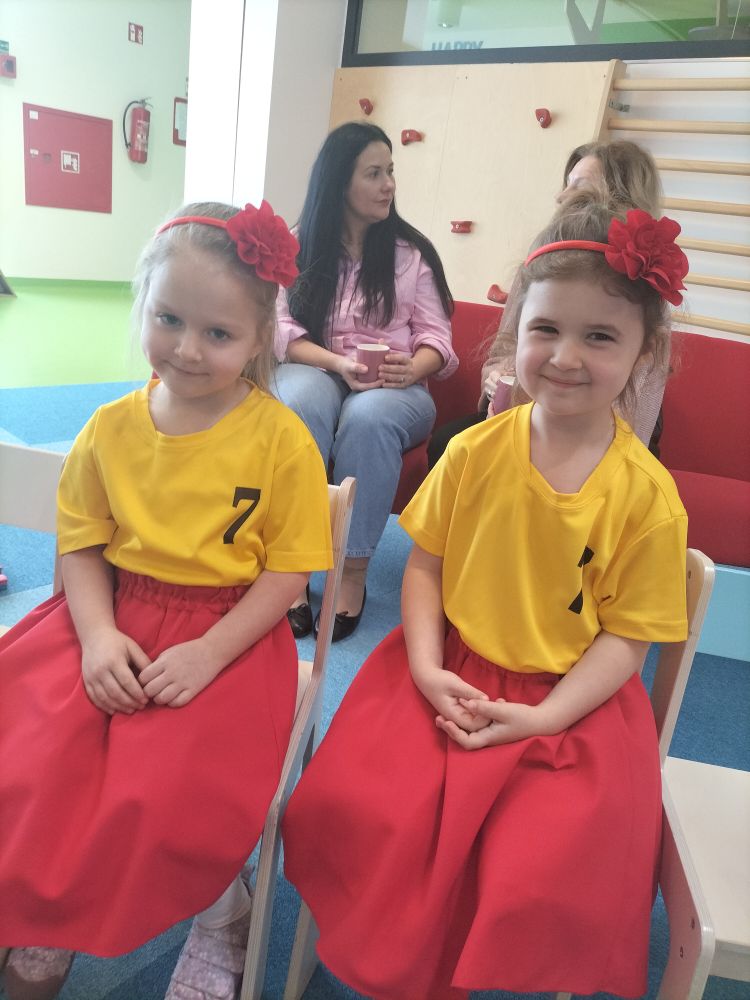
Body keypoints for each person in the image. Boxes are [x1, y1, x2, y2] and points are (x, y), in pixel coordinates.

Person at [282, 194, 691, 1000]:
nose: (566, 357)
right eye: (547, 330)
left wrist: (545, 717)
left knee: (541, 858)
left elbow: (626, 640)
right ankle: (399, 960)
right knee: (364, 808)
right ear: (514, 337)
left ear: (645, 354)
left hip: (569, 711)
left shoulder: (648, 500)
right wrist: (427, 667)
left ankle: (454, 967)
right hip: (444, 671)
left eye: (600, 336)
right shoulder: (472, 452)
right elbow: (424, 568)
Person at [0, 201, 332, 1000]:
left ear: (259, 338)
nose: (186, 348)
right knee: (34, 749)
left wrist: (210, 652)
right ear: (143, 305)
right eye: (169, 319)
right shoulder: (110, 427)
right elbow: (81, 546)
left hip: (229, 635)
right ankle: (47, 904)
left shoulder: (281, 439)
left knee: (171, 788)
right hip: (106, 616)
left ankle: (221, 913)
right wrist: (97, 637)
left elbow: (288, 575)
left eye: (217, 333)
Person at [274, 121, 456, 642]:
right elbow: (279, 331)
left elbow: (437, 339)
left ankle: (351, 570)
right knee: (301, 399)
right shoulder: (298, 246)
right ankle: (292, 563)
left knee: (368, 417)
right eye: (373, 173)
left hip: (397, 390)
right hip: (320, 368)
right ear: (339, 182)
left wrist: (413, 367)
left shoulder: (411, 254)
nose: (388, 185)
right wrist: (336, 364)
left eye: (390, 171)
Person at [426, 138, 665, 469]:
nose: (561, 197)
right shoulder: (540, 269)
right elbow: (501, 353)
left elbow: (633, 419)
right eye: (546, 328)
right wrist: (497, 379)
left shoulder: (641, 292)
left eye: (579, 188)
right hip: (519, 417)